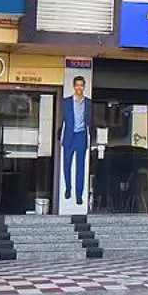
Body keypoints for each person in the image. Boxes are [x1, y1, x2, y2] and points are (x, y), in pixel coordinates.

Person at [60, 75, 91, 207]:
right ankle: (68, 188)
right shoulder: (66, 102)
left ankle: (79, 195)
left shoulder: (88, 103)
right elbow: (61, 120)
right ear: (74, 86)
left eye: (81, 85)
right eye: (77, 85)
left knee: (80, 167)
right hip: (69, 136)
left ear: (84, 87)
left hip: (81, 136)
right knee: (66, 165)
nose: (79, 87)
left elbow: (90, 121)